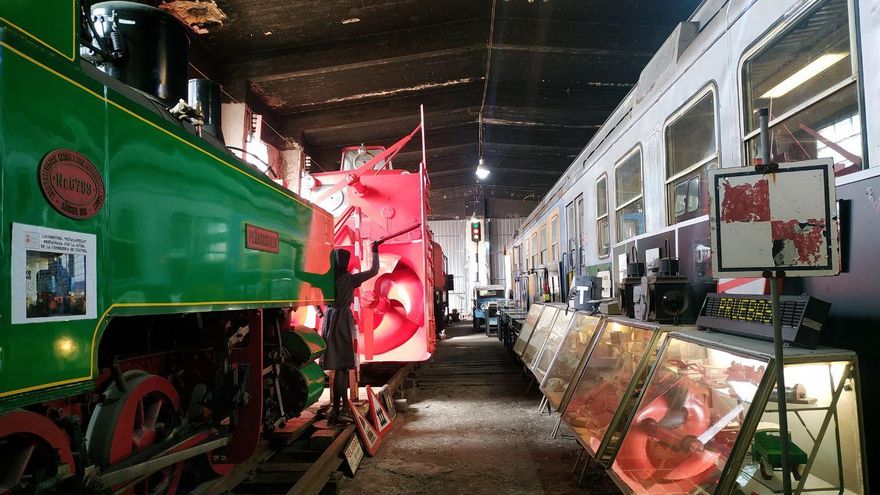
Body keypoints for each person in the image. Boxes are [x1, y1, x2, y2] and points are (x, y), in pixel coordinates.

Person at [322, 242, 380, 425]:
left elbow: (304, 278)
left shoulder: (325, 279)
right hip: (343, 321)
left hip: (329, 320)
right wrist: (375, 250)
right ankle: (341, 410)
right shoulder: (350, 279)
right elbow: (374, 270)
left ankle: (337, 411)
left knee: (335, 367)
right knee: (343, 368)